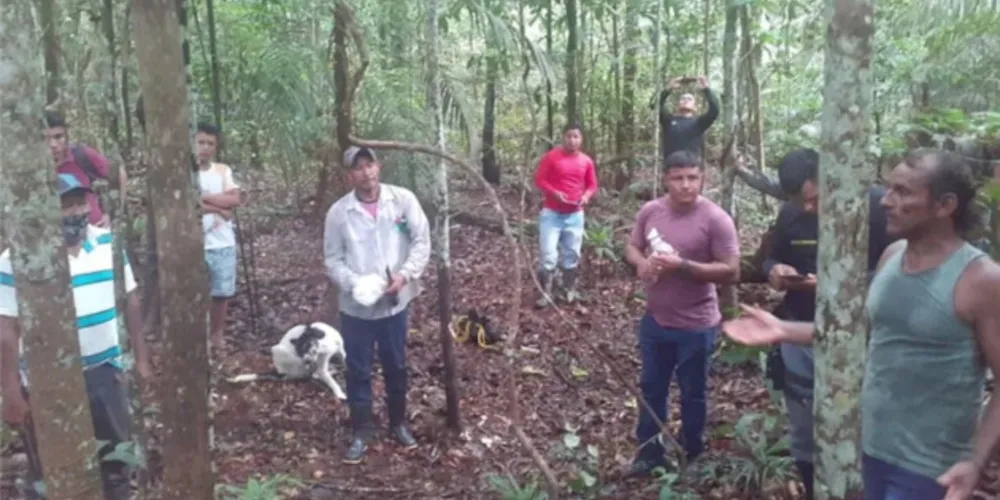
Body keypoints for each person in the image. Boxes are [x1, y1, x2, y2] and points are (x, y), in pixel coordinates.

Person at [724, 149, 1000, 500]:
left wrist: (975, 462)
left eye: (903, 192)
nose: (886, 201)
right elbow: (866, 332)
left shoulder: (981, 279)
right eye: (888, 189)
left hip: (931, 468)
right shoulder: (893, 255)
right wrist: (783, 330)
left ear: (944, 205)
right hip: (869, 451)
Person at [0, 174, 151, 500]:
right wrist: (11, 391)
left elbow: (131, 301)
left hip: (105, 372)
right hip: (47, 381)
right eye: (63, 206)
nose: (73, 212)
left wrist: (140, 359)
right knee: (50, 470)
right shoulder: (17, 260)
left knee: (116, 460)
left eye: (79, 203)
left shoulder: (109, 246)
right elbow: (7, 329)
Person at [762, 148, 895, 499]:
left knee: (864, 427)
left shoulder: (881, 210)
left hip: (865, 338)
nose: (808, 208)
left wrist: (839, 286)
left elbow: (903, 273)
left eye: (814, 199)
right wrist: (774, 271)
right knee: (804, 430)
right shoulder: (791, 214)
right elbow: (772, 257)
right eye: (800, 201)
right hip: (799, 330)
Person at [624, 150, 740, 475]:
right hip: (656, 320)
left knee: (693, 392)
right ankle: (648, 454)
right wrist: (641, 263)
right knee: (651, 388)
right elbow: (632, 246)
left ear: (703, 178)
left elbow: (731, 270)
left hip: (697, 324)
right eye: (678, 178)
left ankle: (692, 451)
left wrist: (684, 266)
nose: (686, 185)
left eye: (692, 177)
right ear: (666, 179)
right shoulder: (651, 211)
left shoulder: (716, 219)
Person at [324, 146, 431, 465]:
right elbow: (332, 259)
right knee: (358, 369)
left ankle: (398, 423)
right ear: (350, 175)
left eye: (370, 165)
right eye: (358, 168)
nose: (366, 172)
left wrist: (405, 275)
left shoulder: (402, 200)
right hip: (355, 309)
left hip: (394, 304)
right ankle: (361, 430)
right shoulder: (339, 213)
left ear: (378, 167)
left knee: (396, 364)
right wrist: (355, 284)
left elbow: (421, 241)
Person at [532, 123, 598, 308]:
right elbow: (539, 179)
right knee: (548, 255)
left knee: (571, 254)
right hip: (552, 214)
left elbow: (592, 185)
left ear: (581, 139)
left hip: (575, 215)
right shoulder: (551, 157)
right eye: (569, 136)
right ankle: (545, 293)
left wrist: (585, 197)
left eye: (576, 136)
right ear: (563, 137)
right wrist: (554, 192)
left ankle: (568, 289)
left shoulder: (586, 161)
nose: (572, 140)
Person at [195, 123, 242, 350]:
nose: (205, 147)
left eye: (210, 143)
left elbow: (234, 200)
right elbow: (188, 205)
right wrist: (218, 208)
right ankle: (198, 336)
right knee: (196, 293)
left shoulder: (222, 170)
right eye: (201, 142)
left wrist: (204, 198)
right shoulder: (186, 173)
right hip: (195, 243)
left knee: (222, 292)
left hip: (222, 242)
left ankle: (217, 334)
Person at [44, 110, 127, 228]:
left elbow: (119, 173)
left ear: (66, 136)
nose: (53, 144)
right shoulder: (32, 171)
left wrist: (113, 215)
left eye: (58, 137)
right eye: (46, 139)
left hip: (94, 234)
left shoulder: (81, 155)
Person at [656, 76, 719, 162]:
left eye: (689, 99)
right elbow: (655, 106)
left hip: (692, 169)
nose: (685, 100)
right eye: (683, 99)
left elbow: (714, 110)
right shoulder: (668, 121)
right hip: (672, 168)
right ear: (678, 105)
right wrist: (668, 89)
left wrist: (706, 89)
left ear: (695, 107)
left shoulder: (699, 123)